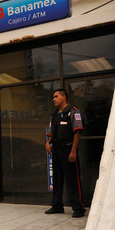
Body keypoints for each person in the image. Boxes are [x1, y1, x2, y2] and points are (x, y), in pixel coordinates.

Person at [45, 89, 86, 218]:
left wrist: (73, 151)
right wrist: (48, 142)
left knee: (72, 179)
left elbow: (77, 132)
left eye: (56, 96)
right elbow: (52, 131)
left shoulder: (73, 111)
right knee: (57, 179)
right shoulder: (55, 114)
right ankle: (57, 206)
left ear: (64, 97)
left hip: (68, 149)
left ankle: (78, 208)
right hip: (56, 150)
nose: (54, 99)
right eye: (53, 97)